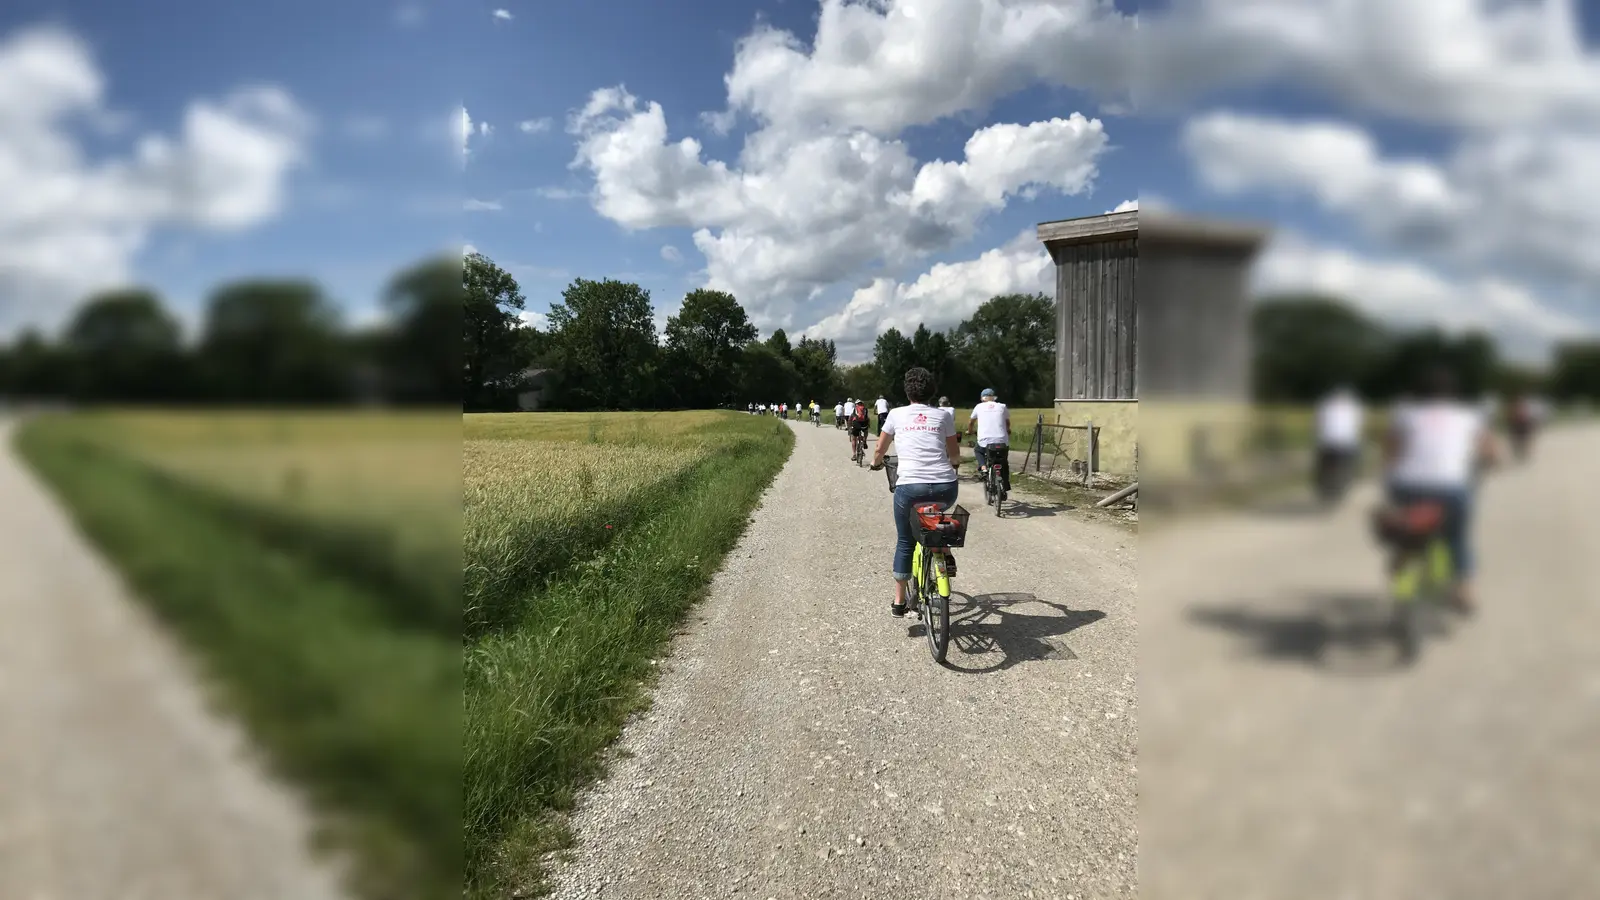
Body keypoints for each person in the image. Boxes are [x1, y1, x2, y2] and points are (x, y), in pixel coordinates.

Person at [1382, 366, 1499, 614]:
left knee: (1405, 536)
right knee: (1457, 539)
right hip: (1451, 489)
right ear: (1454, 394)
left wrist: (1391, 475)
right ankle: (1465, 591)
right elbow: (1490, 451)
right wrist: (1491, 462)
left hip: (1406, 486)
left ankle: (1400, 574)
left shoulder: (1406, 415)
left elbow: (1391, 452)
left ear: (1419, 394)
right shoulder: (1468, 416)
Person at [870, 367, 960, 618]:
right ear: (932, 392)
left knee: (905, 540)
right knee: (937, 518)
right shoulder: (943, 416)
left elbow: (880, 448)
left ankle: (899, 602)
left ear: (907, 391)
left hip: (910, 487)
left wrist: (875, 464)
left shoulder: (896, 415)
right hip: (945, 486)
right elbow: (954, 453)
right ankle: (945, 551)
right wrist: (953, 466)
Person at [1314, 385, 1363, 500]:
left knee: (1322, 464)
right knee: (1351, 461)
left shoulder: (1325, 405)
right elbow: (1358, 427)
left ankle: (1323, 485)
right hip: (1346, 443)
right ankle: (1347, 481)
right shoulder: (1354, 407)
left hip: (1327, 443)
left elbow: (1318, 424)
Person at [965, 388, 1011, 496]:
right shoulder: (1002, 406)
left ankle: (983, 468)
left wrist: (970, 431)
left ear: (982, 398)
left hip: (985, 441)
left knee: (978, 450)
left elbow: (971, 422)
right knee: (1003, 462)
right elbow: (1007, 422)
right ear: (994, 398)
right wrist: (1008, 430)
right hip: (1002, 441)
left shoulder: (979, 407)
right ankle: (1005, 486)